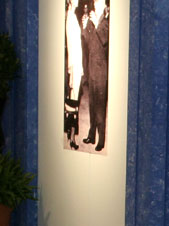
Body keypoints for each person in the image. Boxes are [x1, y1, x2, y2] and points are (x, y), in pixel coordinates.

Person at [81, 0, 109, 152]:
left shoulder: (106, 22)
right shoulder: (94, 21)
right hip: (92, 68)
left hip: (101, 70)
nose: (94, 6)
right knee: (92, 104)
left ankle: (101, 139)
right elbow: (87, 41)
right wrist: (85, 26)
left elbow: (105, 40)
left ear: (104, 6)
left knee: (100, 106)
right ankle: (91, 134)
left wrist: (97, 21)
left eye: (97, 3)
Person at [65, 0, 84, 149]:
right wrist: (72, 69)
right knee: (73, 102)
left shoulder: (73, 16)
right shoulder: (70, 18)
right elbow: (71, 46)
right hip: (74, 66)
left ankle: (71, 135)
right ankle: (72, 137)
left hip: (76, 65)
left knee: (74, 101)